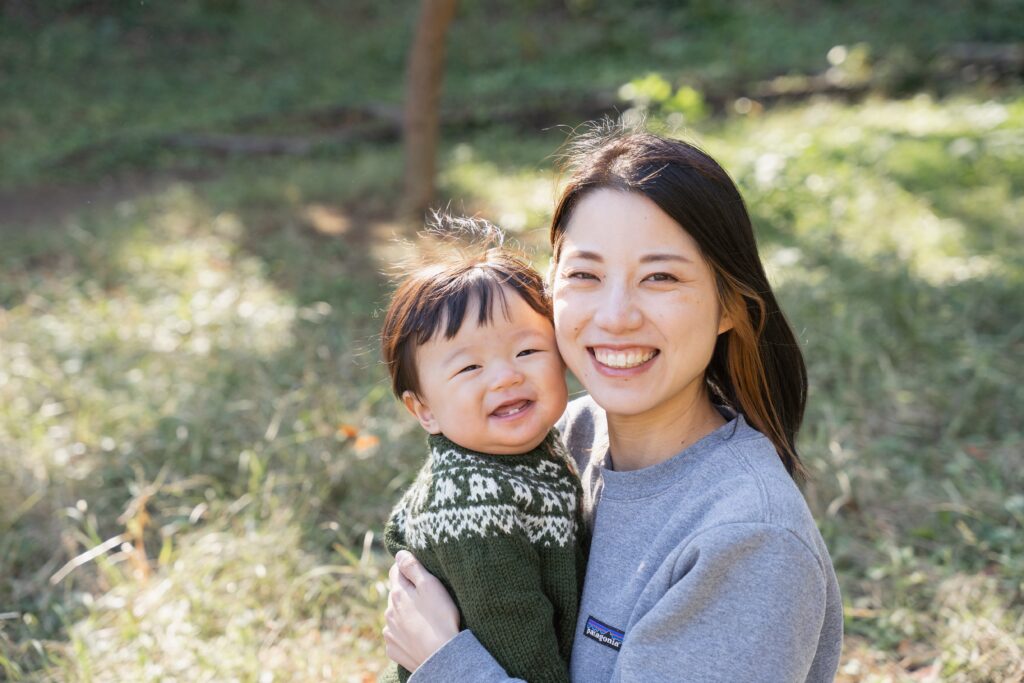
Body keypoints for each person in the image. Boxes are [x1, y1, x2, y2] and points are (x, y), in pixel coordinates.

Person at [381, 125, 844, 682]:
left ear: (730, 307)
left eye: (660, 276)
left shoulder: (749, 540)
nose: (616, 315)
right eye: (585, 274)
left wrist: (443, 661)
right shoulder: (562, 440)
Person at [378, 226, 587, 683]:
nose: (505, 377)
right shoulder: (471, 498)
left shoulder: (539, 452)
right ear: (425, 410)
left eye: (528, 350)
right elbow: (513, 631)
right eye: (470, 366)